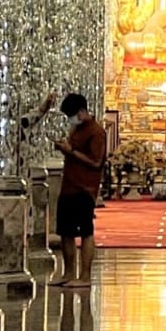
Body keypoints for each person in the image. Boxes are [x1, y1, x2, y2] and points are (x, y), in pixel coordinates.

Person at [52, 92, 108, 288]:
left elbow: (96, 161)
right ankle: (68, 273)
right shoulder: (76, 129)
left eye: (73, 115)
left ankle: (85, 276)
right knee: (65, 232)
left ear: (83, 111)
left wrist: (71, 152)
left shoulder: (96, 132)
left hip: (85, 188)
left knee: (85, 231)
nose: (71, 119)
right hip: (69, 185)